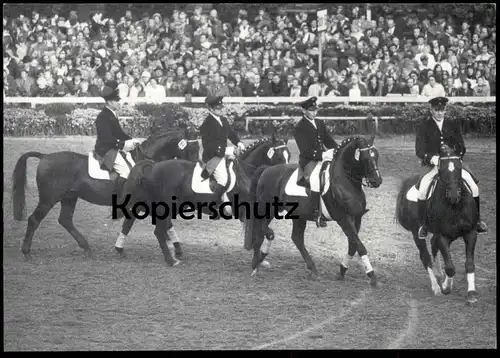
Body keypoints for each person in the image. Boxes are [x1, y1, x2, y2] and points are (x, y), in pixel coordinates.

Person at [415, 96, 488, 238]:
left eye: (441, 110)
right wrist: (431, 158)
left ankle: (478, 221)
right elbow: (419, 150)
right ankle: (423, 225)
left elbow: (461, 146)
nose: (439, 113)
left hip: (452, 164)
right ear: (431, 110)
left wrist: (455, 156)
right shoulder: (424, 126)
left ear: (445, 110)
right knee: (423, 190)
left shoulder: (452, 124)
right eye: (436, 110)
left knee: (474, 187)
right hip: (434, 164)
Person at [293, 96, 339, 227]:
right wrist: (322, 154)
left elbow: (328, 140)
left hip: (323, 156)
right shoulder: (299, 127)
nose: (314, 113)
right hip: (309, 161)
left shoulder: (319, 123)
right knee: (315, 180)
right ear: (304, 111)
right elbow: (305, 150)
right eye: (311, 110)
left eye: (315, 110)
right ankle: (316, 213)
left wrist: (337, 150)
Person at [94, 84, 141, 201]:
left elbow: (119, 133)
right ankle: (120, 199)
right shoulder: (103, 116)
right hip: (106, 149)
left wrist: (131, 140)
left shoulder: (112, 114)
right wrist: (122, 144)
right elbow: (106, 138)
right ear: (109, 102)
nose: (118, 103)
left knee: (132, 163)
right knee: (125, 170)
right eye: (116, 101)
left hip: (113, 146)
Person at [199, 95, 245, 215]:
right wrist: (226, 151)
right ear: (210, 109)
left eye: (221, 107)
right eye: (217, 108)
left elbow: (231, 133)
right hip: (213, 157)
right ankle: (213, 206)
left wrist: (239, 142)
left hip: (223, 153)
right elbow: (207, 145)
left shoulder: (223, 120)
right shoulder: (207, 123)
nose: (220, 110)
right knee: (223, 179)